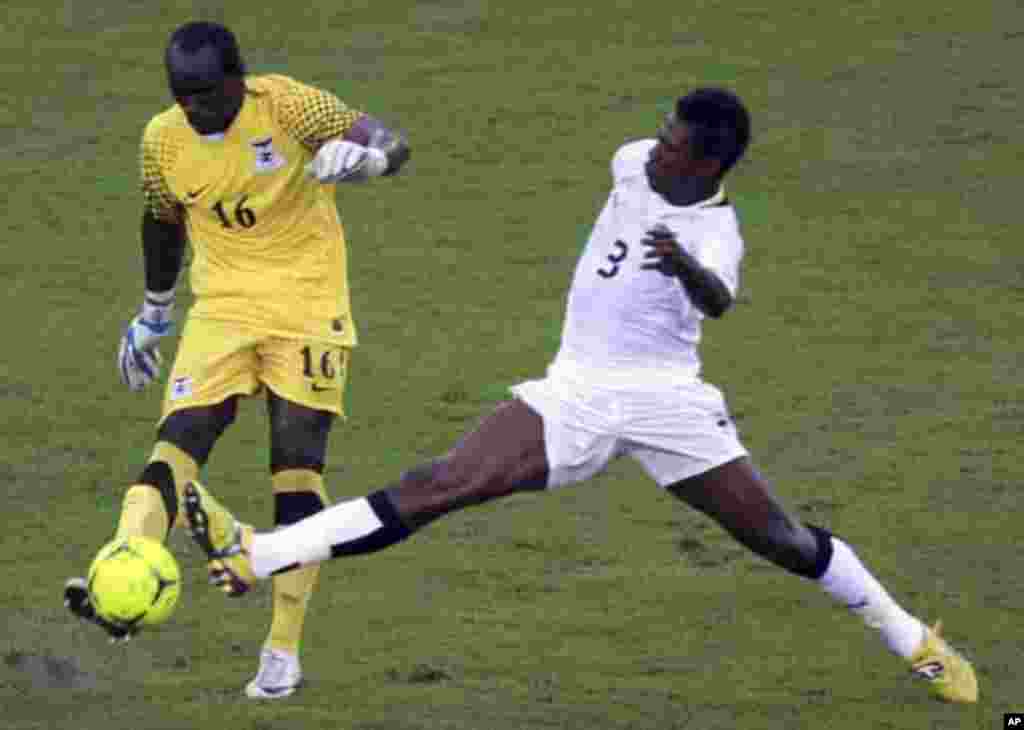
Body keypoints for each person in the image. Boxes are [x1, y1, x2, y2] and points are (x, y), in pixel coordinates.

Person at [183, 88, 977, 704]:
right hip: (578, 391)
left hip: (668, 401)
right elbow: (640, 190)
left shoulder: (714, 234)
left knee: (782, 540)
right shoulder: (631, 161)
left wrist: (685, 268)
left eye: (676, 145)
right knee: (444, 484)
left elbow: (719, 301)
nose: (657, 147)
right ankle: (259, 553)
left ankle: (913, 640)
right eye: (662, 133)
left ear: (708, 166)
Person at [62, 20, 411, 699]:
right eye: (179, 93)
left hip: (310, 307)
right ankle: (123, 569)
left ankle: (282, 651)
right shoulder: (162, 139)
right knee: (176, 441)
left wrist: (367, 161)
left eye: (203, 92)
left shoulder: (289, 106)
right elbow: (161, 220)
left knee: (296, 466)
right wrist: (152, 315)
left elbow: (393, 144)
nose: (192, 106)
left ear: (235, 79)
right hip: (221, 310)